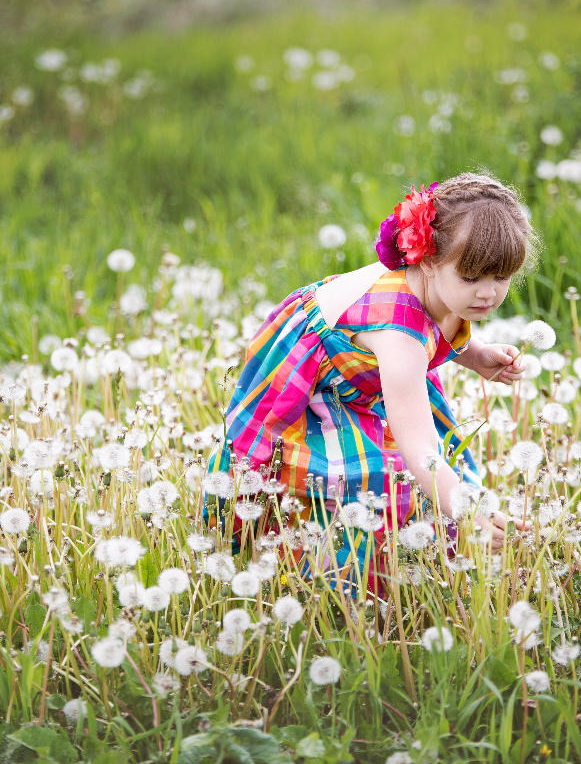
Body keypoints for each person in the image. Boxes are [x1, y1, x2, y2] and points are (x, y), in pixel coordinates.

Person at [203, 172, 541, 588]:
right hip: (309, 386)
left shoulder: (440, 290)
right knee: (359, 480)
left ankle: (418, 562)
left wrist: (474, 354)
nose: (488, 293)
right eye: (472, 278)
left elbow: (440, 321)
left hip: (367, 376)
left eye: (501, 277)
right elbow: (419, 444)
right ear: (429, 261)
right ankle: (335, 581)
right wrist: (470, 511)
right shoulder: (398, 339)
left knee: (436, 463)